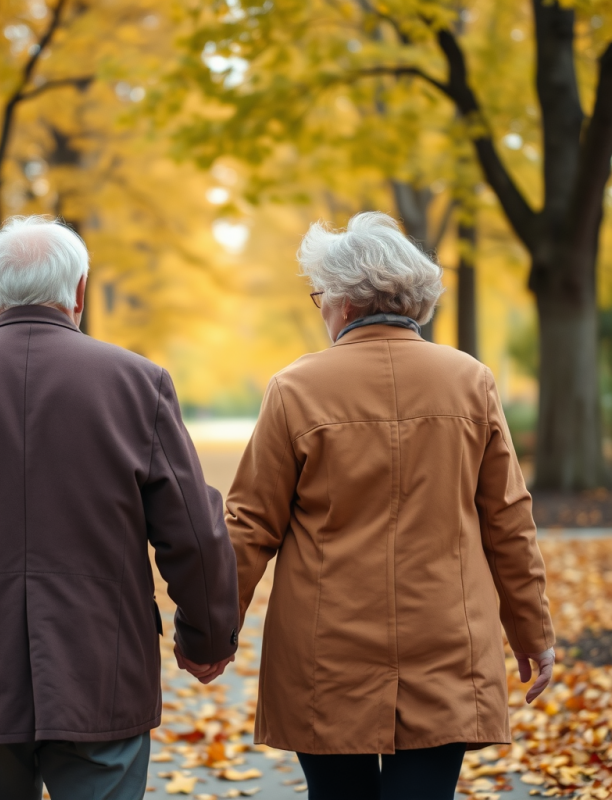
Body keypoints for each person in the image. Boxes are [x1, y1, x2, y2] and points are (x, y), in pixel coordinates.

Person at [0, 216, 239, 800]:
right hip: (102, 666)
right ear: (79, 291)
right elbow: (192, 530)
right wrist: (207, 637)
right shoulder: (139, 383)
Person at [225, 212, 555, 800]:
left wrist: (214, 631)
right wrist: (531, 629)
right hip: (447, 640)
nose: (319, 308)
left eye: (319, 296)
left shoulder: (296, 388)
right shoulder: (469, 381)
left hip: (325, 650)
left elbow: (251, 525)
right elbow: (507, 518)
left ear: (346, 302)